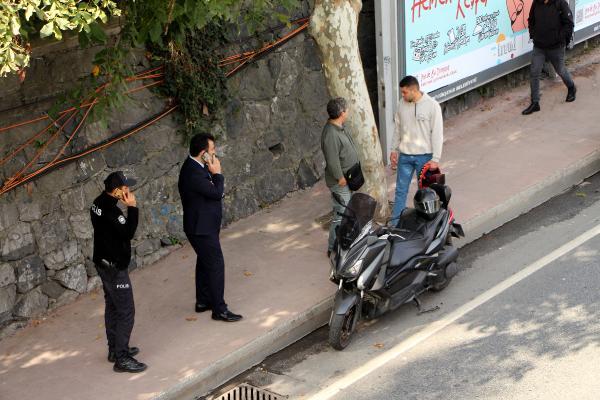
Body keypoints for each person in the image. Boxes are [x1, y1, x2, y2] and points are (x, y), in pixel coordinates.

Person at [178, 133, 242, 322]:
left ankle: (203, 301)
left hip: (203, 225)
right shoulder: (194, 173)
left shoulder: (196, 166)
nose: (215, 154)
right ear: (204, 153)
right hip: (201, 228)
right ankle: (219, 309)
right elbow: (216, 193)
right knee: (215, 264)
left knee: (204, 262)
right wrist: (218, 174)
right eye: (213, 150)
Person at [90, 171, 147, 373]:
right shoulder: (113, 212)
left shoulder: (97, 202)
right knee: (126, 311)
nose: (129, 190)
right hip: (114, 268)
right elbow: (128, 232)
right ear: (116, 191)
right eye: (125, 188)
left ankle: (114, 349)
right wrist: (132, 207)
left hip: (102, 263)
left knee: (113, 306)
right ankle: (122, 358)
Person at [390, 75, 443, 224]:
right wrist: (394, 149)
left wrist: (436, 159)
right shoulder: (402, 104)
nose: (402, 95)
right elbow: (397, 129)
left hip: (424, 158)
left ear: (414, 90)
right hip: (405, 156)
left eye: (405, 92)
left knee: (425, 193)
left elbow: (437, 134)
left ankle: (428, 224)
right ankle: (395, 224)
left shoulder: (432, 106)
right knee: (400, 191)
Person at [321, 97, 360, 257]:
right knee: (341, 214)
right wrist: (339, 177)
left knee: (347, 211)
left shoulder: (339, 126)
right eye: (347, 109)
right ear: (342, 113)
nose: (348, 111)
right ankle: (333, 247)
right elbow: (332, 159)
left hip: (348, 178)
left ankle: (346, 241)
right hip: (340, 182)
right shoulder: (331, 134)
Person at [522, 0, 575, 115]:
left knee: (560, 70)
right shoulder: (536, 2)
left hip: (556, 47)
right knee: (534, 72)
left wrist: (559, 38)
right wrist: (533, 35)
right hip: (539, 46)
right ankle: (535, 103)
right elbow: (531, 20)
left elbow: (569, 23)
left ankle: (571, 87)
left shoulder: (561, 3)